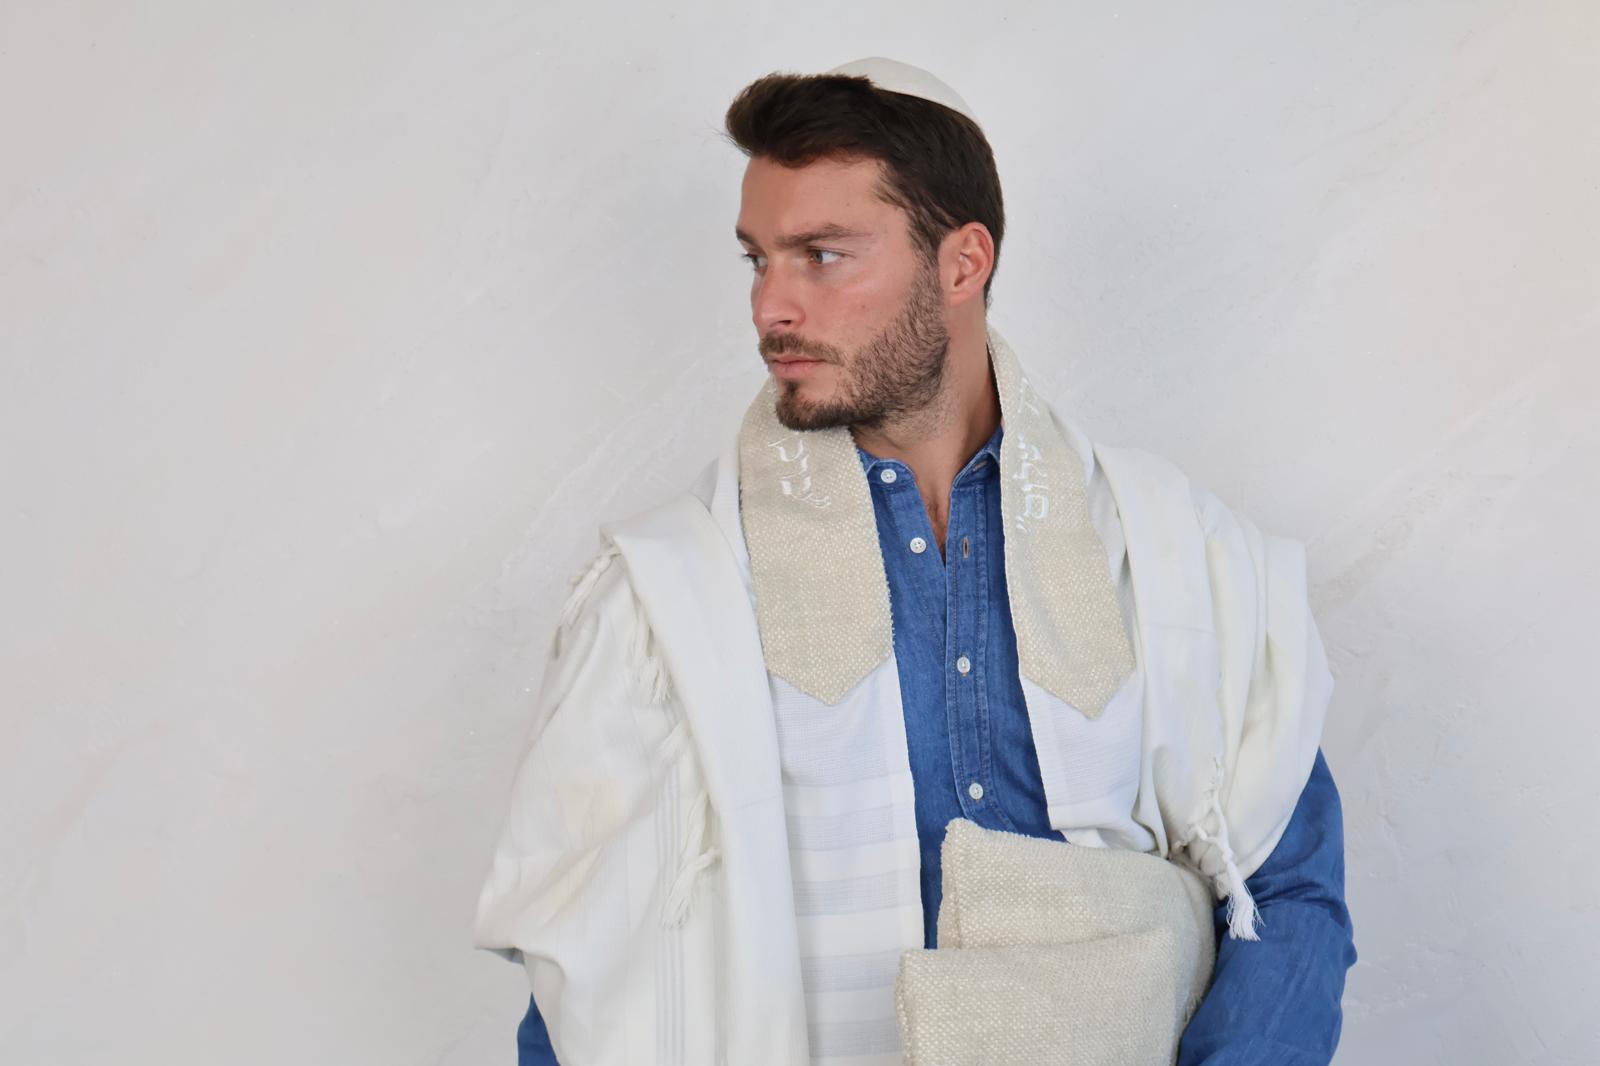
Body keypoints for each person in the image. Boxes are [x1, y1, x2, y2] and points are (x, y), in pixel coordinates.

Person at [474, 57, 1356, 1066]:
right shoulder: (667, 600)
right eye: (758, 259)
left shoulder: (1172, 556)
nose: (771, 307)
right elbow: (588, 981)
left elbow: (1283, 891)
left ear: (962, 263)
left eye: (821, 255)